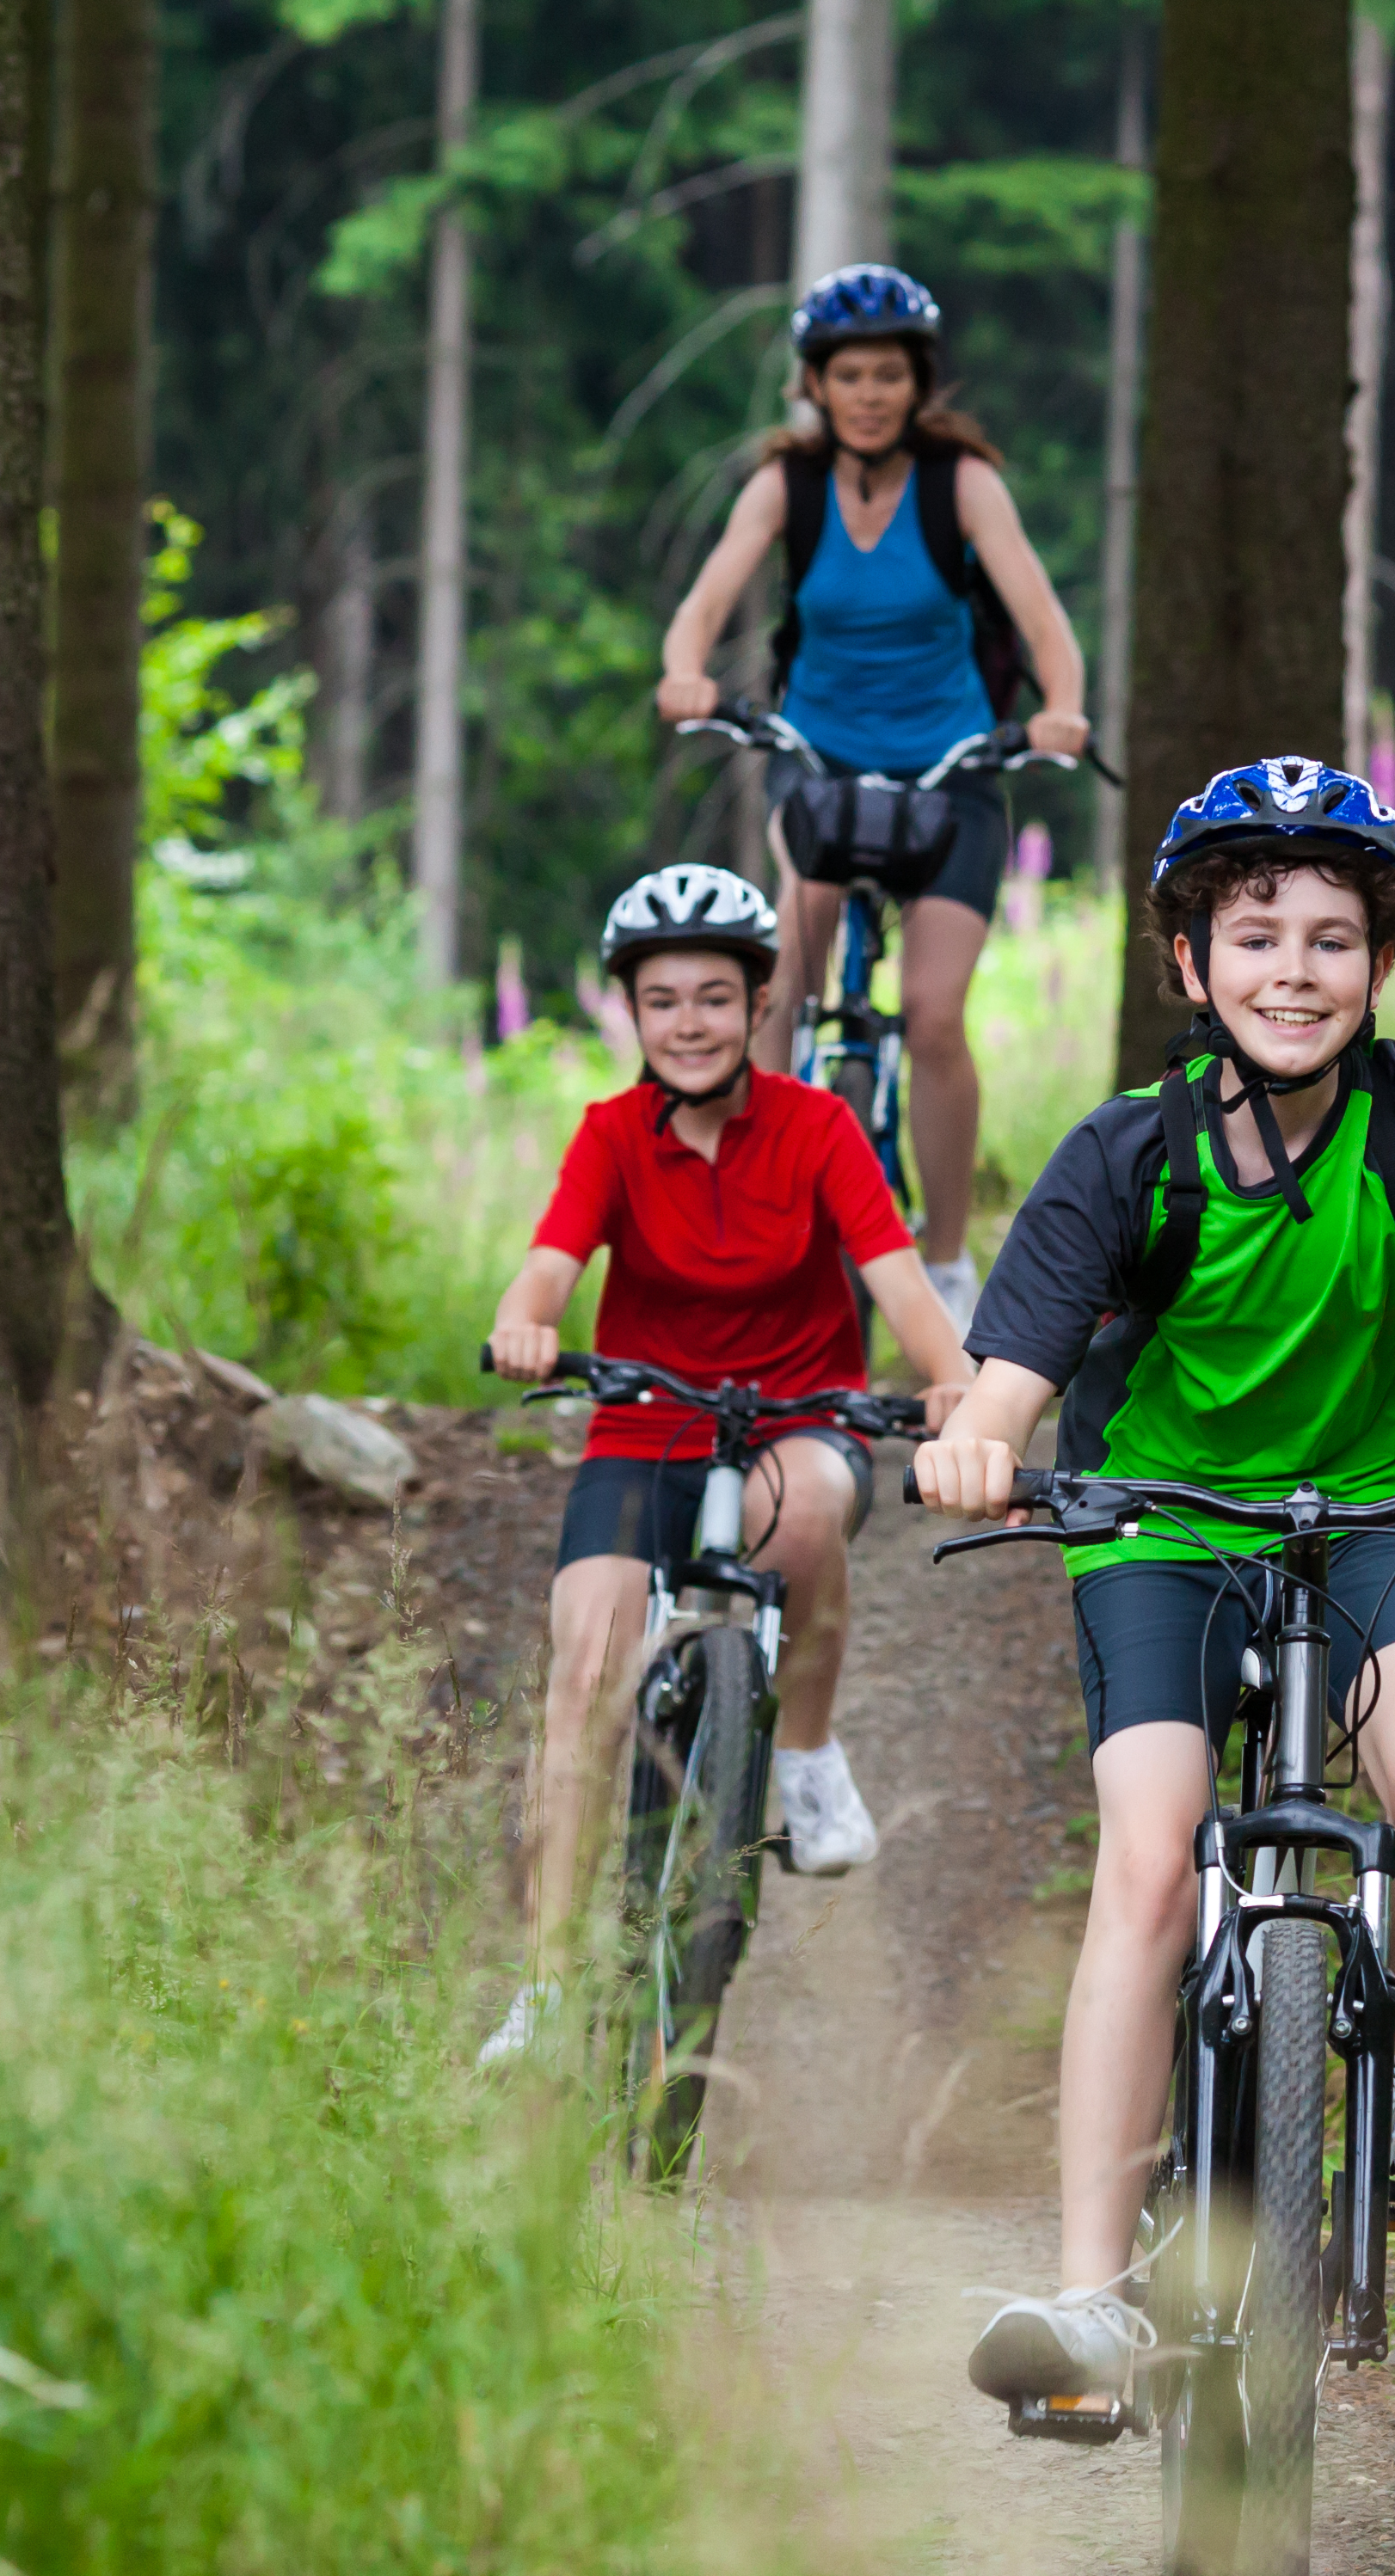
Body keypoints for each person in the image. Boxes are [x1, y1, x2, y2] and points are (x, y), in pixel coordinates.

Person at [910, 758, 1395, 2418]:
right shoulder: (1129, 1151)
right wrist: (981, 1442)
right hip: (1158, 1524)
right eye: (1254, 932)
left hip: (1364, 1514)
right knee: (1147, 1854)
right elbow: (1015, 1367)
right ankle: (1087, 2296)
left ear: (1381, 966)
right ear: (1189, 964)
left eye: (1333, 937)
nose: (1294, 967)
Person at [476, 862, 975, 2070]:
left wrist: (957, 1387)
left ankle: (800, 1754)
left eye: (714, 996)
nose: (688, 1022)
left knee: (806, 1512)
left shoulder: (817, 1127)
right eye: (662, 1000)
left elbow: (899, 1278)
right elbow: (548, 1264)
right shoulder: (610, 1136)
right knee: (581, 1660)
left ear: (761, 1006)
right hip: (644, 1427)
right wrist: (526, 1319)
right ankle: (545, 1988)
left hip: (794, 1421)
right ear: (630, 1014)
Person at [657, 266, 1091, 1341]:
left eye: (888, 374)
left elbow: (1042, 619)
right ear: (815, 382)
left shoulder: (962, 484)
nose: (867, 393)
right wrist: (684, 672)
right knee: (781, 993)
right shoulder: (786, 486)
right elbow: (705, 601)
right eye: (847, 374)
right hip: (821, 764)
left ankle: (945, 1262)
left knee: (935, 1015)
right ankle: (749, 1221)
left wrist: (1064, 708)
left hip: (951, 775)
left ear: (918, 381)